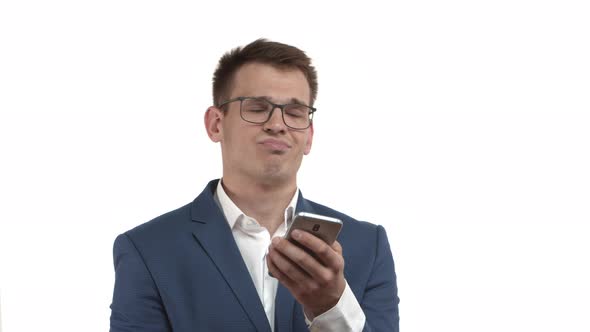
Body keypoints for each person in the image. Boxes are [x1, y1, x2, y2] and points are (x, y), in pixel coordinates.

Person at [109, 38, 400, 332]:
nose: (278, 124)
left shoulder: (367, 246)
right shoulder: (148, 250)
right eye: (258, 108)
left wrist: (331, 308)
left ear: (309, 135)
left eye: (296, 112)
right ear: (215, 124)